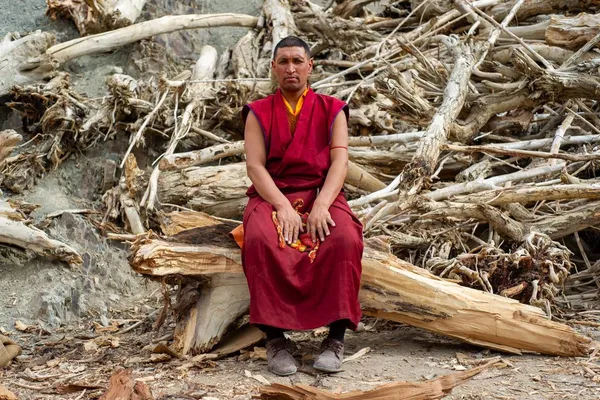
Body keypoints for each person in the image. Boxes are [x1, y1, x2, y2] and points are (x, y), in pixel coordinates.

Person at [241, 36, 363, 376]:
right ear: (274, 69)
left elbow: (340, 162)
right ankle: (276, 341)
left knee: (344, 239)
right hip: (273, 195)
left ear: (310, 66)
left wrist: (323, 204)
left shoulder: (332, 108)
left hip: (320, 193)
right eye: (283, 62)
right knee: (260, 240)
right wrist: (281, 206)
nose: (291, 68)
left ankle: (335, 338)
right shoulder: (258, 112)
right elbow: (255, 167)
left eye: (298, 61)